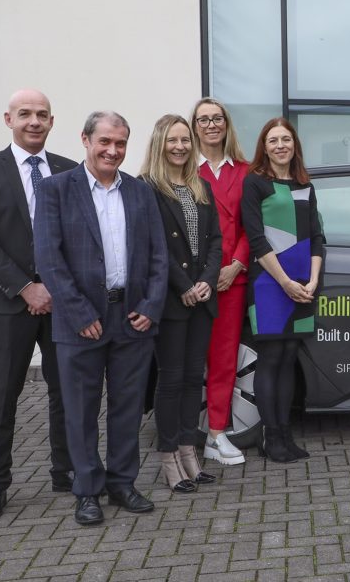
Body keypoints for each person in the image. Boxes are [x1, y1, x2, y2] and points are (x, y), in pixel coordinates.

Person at [34, 111, 168, 525]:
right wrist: (77, 312)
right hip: (81, 320)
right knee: (80, 408)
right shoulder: (57, 189)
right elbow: (49, 258)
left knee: (128, 406)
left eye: (121, 143)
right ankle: (87, 490)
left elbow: (159, 255)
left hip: (131, 317)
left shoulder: (141, 192)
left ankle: (122, 482)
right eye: (105, 141)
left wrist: (149, 307)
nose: (113, 150)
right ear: (86, 140)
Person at [0, 89, 78, 523]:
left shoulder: (69, 170)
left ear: (52, 121)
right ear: (8, 118)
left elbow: (78, 238)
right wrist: (26, 287)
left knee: (66, 390)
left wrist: (55, 288)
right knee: (1, 395)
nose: (34, 121)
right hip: (8, 302)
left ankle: (66, 470)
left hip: (61, 303)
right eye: (25, 114)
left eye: (42, 115)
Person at [140, 115, 223, 492]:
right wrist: (185, 285)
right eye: (172, 140)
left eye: (185, 140)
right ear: (160, 143)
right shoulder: (147, 189)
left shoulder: (200, 186)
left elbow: (215, 243)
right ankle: (169, 456)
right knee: (170, 380)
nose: (180, 146)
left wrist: (205, 282)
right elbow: (152, 247)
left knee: (194, 379)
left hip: (201, 301)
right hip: (172, 301)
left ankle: (190, 452)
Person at [240, 118, 325, 463]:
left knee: (289, 359)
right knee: (271, 360)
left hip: (303, 285)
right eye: (273, 140)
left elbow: (317, 237)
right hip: (269, 284)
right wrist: (286, 283)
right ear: (264, 146)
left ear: (294, 145)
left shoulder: (305, 184)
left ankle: (285, 435)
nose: (280, 145)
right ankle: (270, 437)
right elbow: (257, 239)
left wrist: (313, 282)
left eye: (285, 139)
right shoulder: (255, 183)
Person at [191, 98, 249, 466]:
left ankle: (216, 434)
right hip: (193, 282)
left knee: (225, 359)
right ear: (194, 126)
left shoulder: (245, 171)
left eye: (217, 118)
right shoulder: (183, 169)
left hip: (232, 280)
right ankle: (181, 439)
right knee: (187, 360)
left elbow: (250, 225)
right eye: (203, 119)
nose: (211, 125)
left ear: (226, 124)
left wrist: (238, 265)